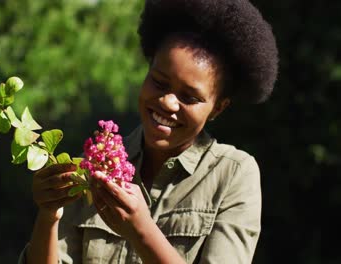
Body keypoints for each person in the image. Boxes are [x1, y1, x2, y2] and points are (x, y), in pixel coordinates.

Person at [20, 0, 278, 263]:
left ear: (217, 109)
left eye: (189, 97)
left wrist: (141, 230)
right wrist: (49, 214)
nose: (167, 102)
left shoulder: (233, 175)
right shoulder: (97, 165)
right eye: (158, 82)